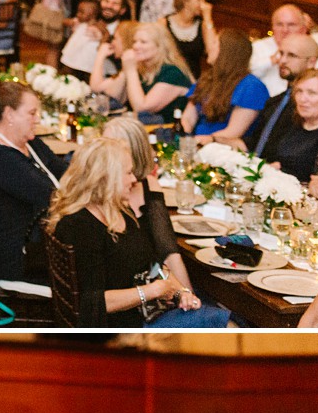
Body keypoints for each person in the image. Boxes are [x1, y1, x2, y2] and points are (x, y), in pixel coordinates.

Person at [46, 136, 227, 328]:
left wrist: (179, 292)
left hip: (148, 313)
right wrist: (153, 291)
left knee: (225, 318)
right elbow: (90, 303)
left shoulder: (122, 211)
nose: (134, 179)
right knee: (223, 322)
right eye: (128, 173)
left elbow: (153, 265)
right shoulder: (78, 226)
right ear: (107, 178)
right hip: (119, 328)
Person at [0, 80, 66, 284]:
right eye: (32, 113)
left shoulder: (29, 144)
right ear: (9, 115)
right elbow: (52, 196)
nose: (37, 119)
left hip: (41, 247)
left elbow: (65, 172)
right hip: (22, 261)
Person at [181, 27, 269, 146]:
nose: (209, 48)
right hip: (196, 142)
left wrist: (201, 140)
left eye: (214, 43)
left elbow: (234, 132)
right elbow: (188, 117)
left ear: (226, 51)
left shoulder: (251, 86)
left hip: (224, 148)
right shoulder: (208, 78)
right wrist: (185, 135)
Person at [249, 37, 318, 159]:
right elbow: (255, 143)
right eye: (281, 53)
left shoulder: (310, 109)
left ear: (311, 62)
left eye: (292, 55)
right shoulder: (274, 102)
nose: (282, 60)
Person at [117, 20, 192, 129]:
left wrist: (130, 70)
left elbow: (142, 108)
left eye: (143, 42)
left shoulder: (173, 73)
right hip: (146, 131)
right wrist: (125, 70)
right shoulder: (142, 69)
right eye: (135, 41)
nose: (136, 46)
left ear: (160, 46)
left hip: (169, 136)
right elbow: (116, 96)